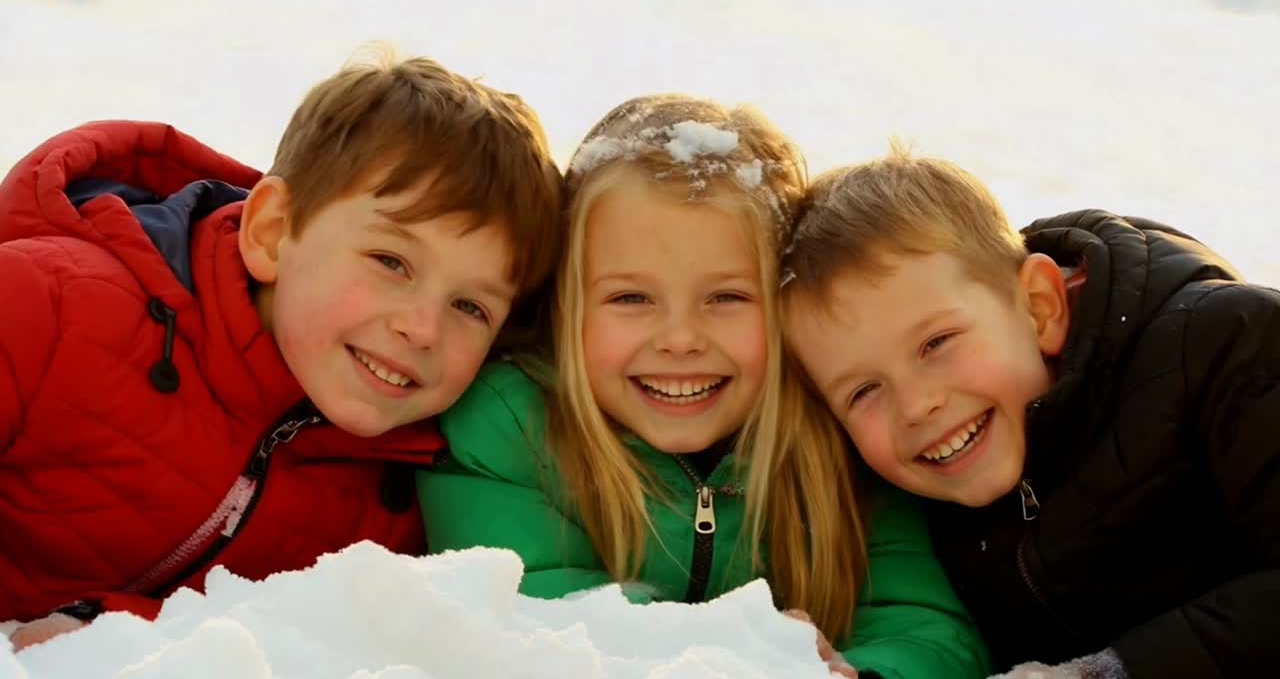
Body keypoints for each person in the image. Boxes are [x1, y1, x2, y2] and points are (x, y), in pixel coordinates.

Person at [0, 49, 564, 649]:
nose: (424, 329)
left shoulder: (408, 487)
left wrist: (100, 627)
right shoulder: (51, 306)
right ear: (271, 233)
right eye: (391, 262)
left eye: (470, 307)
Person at [419, 96, 990, 679]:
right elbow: (526, 605)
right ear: (566, 308)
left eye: (727, 298)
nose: (681, 338)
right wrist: (735, 650)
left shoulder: (838, 434)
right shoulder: (505, 429)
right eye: (631, 298)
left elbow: (928, 625)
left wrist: (858, 673)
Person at [781, 142, 1280, 678]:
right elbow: (928, 632)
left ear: (1039, 307)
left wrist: (1108, 672)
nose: (917, 405)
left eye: (937, 343)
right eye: (862, 391)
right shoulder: (915, 499)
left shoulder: (1229, 347)